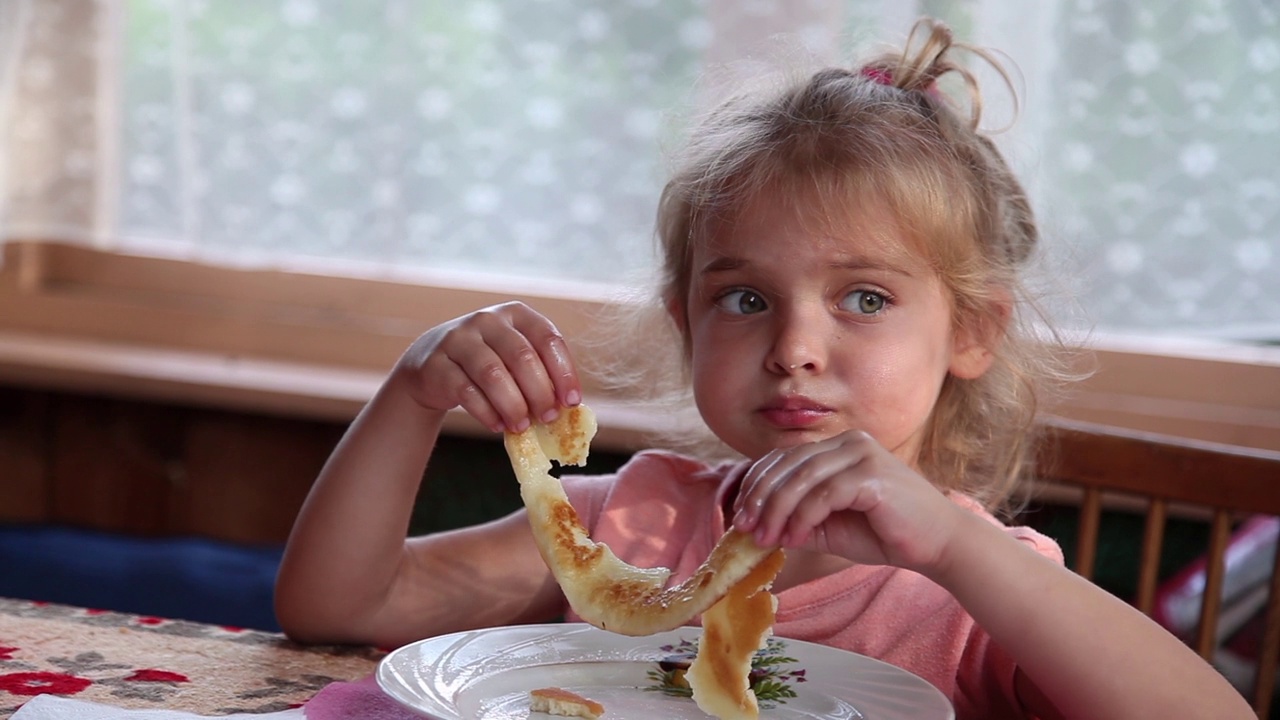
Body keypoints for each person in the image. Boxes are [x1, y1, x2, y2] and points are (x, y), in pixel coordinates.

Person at [274, 17, 1252, 720]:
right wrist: (411, 397)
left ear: (969, 332)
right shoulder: (638, 521)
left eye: (864, 298)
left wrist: (959, 555)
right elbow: (342, 606)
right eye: (743, 299)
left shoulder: (977, 588)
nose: (792, 347)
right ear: (684, 321)